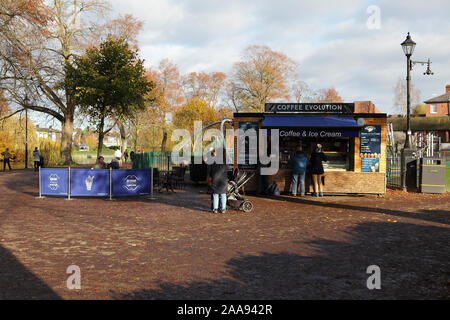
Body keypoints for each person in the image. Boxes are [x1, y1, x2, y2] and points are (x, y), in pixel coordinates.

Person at [208, 149, 228, 214]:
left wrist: (210, 177)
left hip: (215, 179)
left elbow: (210, 171)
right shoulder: (224, 160)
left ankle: (215, 209)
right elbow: (227, 169)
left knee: (215, 194)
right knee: (223, 194)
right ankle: (223, 209)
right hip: (223, 179)